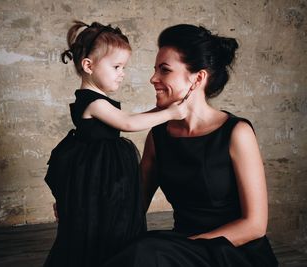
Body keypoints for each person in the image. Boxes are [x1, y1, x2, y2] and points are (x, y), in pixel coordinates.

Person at [102, 24, 278, 267]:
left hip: (232, 252)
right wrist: (78, 206)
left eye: (164, 70)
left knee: (147, 252)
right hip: (179, 249)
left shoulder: (237, 133)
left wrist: (186, 246)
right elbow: (133, 204)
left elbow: (255, 225)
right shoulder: (159, 136)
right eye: (155, 70)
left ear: (198, 78)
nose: (153, 78)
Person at [43, 21, 187, 267]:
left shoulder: (99, 99)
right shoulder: (92, 101)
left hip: (104, 168)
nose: (122, 73)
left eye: (124, 67)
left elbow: (132, 119)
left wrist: (161, 108)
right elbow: (128, 123)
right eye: (116, 66)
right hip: (96, 168)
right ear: (88, 65)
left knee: (110, 215)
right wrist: (171, 113)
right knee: (94, 220)